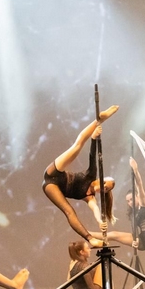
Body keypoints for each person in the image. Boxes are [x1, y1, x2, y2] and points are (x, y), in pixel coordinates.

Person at [42, 105, 119, 248]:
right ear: (99, 180)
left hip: (51, 186)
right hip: (54, 173)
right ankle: (99, 119)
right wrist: (94, 138)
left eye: (106, 189)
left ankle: (91, 239)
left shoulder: (90, 198)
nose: (103, 188)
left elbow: (95, 210)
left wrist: (100, 222)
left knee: (69, 211)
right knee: (77, 145)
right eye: (104, 184)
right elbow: (92, 155)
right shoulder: (91, 175)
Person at [89, 157, 145, 250]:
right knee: (113, 235)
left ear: (137, 197)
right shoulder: (132, 214)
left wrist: (135, 169)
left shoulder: (144, 204)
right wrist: (135, 241)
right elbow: (134, 230)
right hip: (142, 241)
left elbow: (139, 185)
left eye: (132, 199)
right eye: (128, 201)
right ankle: (86, 233)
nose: (130, 202)